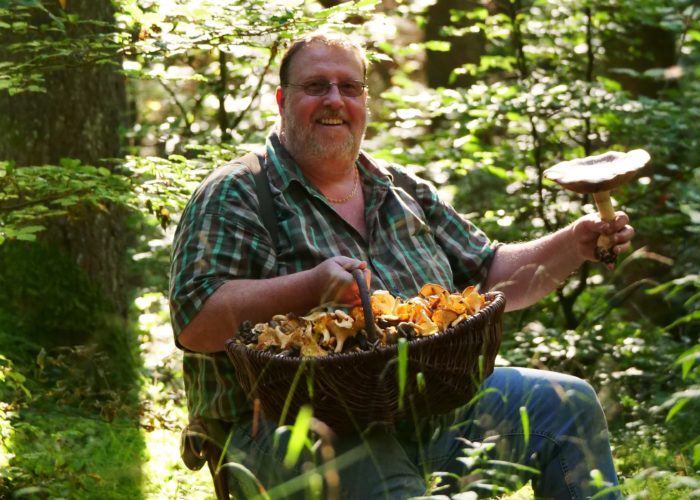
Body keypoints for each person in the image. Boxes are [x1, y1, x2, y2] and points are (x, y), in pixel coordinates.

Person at [170, 30, 633, 499]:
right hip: (289, 430)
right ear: (282, 100)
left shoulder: (400, 189)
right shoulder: (239, 191)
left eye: (349, 88)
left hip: (428, 409)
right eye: (316, 87)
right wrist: (311, 286)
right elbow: (195, 320)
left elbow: (489, 272)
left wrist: (575, 242)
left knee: (568, 406)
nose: (335, 100)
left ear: (365, 102)